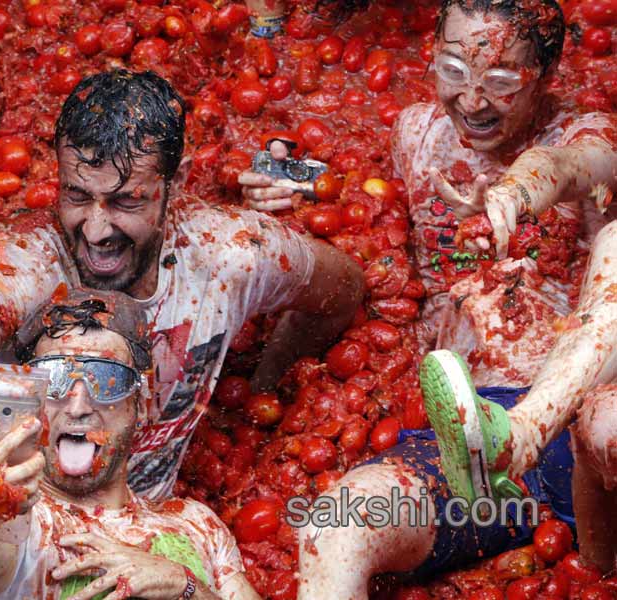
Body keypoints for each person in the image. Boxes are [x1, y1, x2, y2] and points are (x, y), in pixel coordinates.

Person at [0, 69, 364, 557]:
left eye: (127, 200)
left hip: (124, 535)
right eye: (77, 196)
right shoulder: (19, 268)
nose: (97, 230)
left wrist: (267, 378)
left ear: (179, 183)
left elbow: (343, 289)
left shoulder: (230, 254)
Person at [240, 0, 617, 594]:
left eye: (499, 80)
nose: (472, 100)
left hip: (573, 429)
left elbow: (574, 165)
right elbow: (337, 174)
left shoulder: (583, 130)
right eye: (453, 70)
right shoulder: (417, 133)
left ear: (544, 75)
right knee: (333, 528)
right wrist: (280, 182)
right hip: (461, 451)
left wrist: (515, 192)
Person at [0, 290, 261, 600]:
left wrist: (182, 585)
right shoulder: (21, 516)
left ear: (143, 404)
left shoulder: (197, 524)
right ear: (32, 402)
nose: (77, 405)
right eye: (54, 379)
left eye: (106, 380)